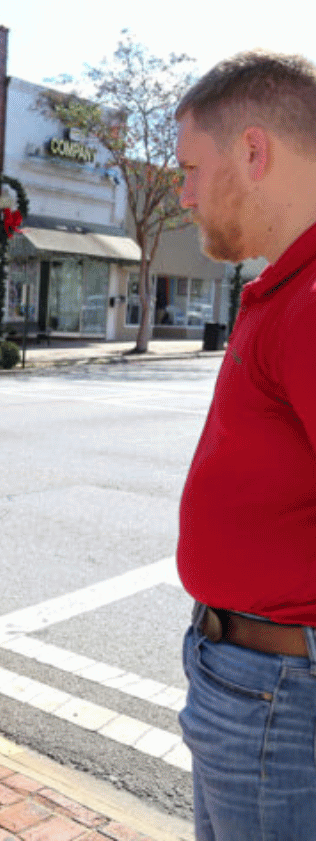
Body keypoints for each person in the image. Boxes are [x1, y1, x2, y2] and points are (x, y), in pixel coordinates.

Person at [175, 51, 316, 840]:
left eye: (192, 166)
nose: (184, 192)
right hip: (255, 678)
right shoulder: (289, 288)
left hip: (277, 695)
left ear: (254, 152)